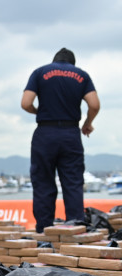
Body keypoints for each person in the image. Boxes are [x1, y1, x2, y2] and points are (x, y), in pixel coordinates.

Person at [21, 47, 100, 233]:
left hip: (45, 133)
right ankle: (75, 229)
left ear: (54, 60)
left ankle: (44, 230)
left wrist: (37, 111)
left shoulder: (40, 72)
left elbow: (25, 103)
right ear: (72, 63)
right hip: (70, 133)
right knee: (72, 182)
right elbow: (94, 104)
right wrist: (88, 123)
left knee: (43, 183)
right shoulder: (82, 75)